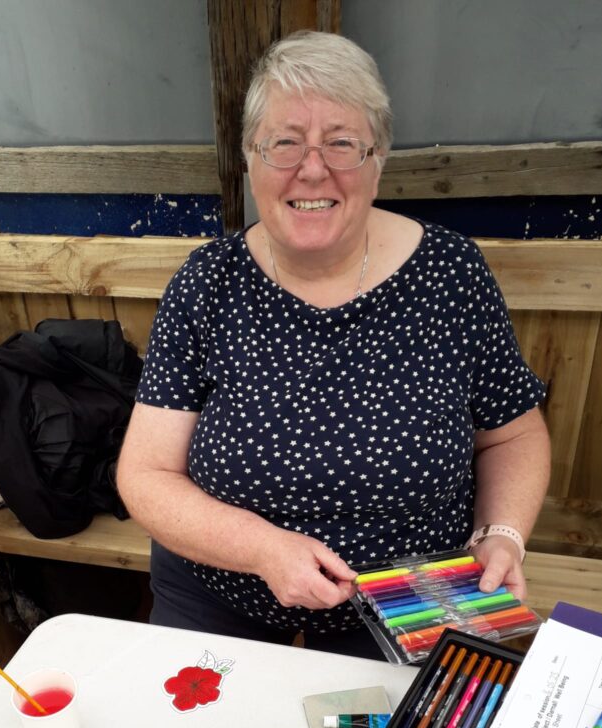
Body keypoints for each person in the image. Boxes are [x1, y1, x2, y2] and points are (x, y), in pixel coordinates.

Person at [116, 30, 550, 657]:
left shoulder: (452, 275)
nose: (311, 168)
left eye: (341, 144)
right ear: (249, 159)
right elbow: (145, 474)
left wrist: (502, 534)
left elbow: (514, 433)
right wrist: (263, 549)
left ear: (378, 159)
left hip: (416, 601)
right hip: (221, 591)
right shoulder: (207, 283)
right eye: (284, 143)